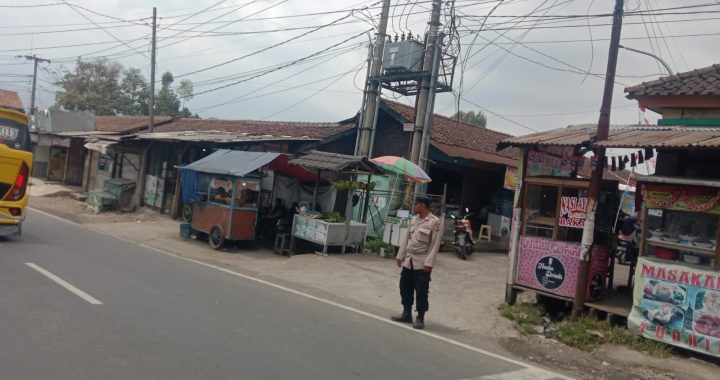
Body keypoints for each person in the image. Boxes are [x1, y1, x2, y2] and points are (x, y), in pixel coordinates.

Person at [391, 196, 442, 330]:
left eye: (416, 204)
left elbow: (435, 245)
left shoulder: (434, 222)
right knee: (404, 287)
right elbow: (407, 238)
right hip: (409, 260)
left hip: (422, 262)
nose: (414, 206)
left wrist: (429, 263)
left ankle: (420, 317)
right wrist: (400, 255)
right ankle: (406, 313)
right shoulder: (414, 220)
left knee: (421, 291)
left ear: (423, 206)